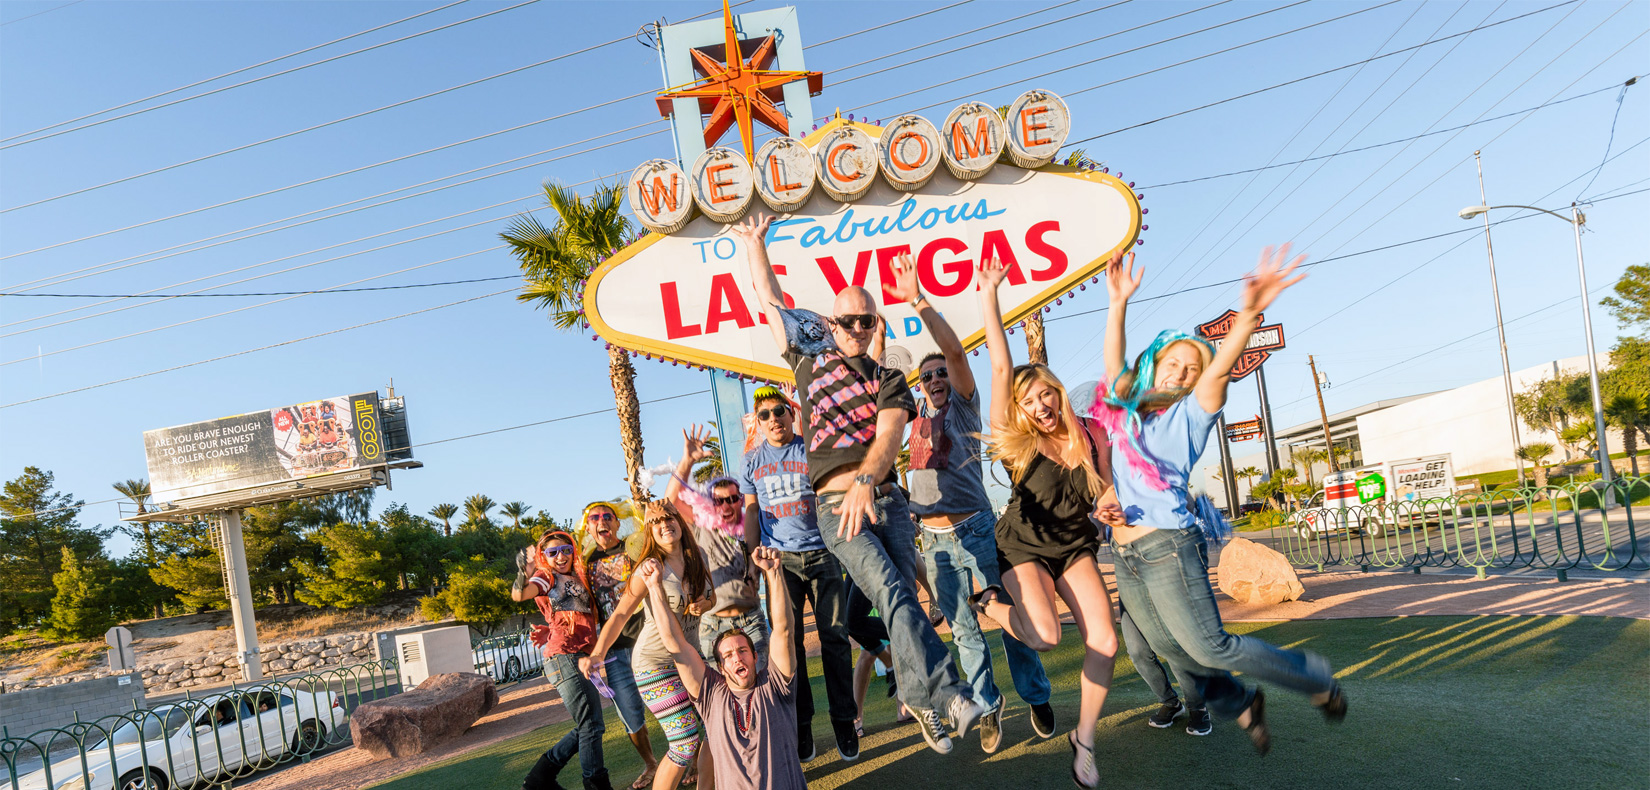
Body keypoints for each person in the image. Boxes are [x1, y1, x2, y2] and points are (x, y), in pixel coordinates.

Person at [735, 212, 981, 756]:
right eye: (848, 321)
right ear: (832, 322)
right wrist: (756, 243)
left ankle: (917, 697)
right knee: (890, 591)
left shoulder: (890, 378)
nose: (857, 329)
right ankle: (951, 694)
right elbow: (769, 298)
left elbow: (892, 431)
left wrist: (871, 478)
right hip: (834, 507)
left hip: (886, 500)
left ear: (875, 324)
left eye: (866, 321)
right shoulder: (808, 360)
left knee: (907, 604)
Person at [1097, 244, 1346, 757]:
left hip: (1168, 548)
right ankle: (1241, 702)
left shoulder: (1190, 413)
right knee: (1167, 645)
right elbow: (1114, 363)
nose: (1183, 373)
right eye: (1174, 362)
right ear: (1155, 362)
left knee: (1211, 645)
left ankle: (1312, 677)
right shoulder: (1126, 410)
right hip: (1126, 554)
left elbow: (1219, 369)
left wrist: (1251, 313)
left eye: (1192, 368)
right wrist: (1117, 301)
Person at [882, 254, 1056, 750]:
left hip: (979, 530)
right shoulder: (910, 424)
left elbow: (956, 355)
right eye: (927, 377)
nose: (936, 379)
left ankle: (1036, 695)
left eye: (940, 373)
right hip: (934, 544)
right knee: (964, 633)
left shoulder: (963, 407)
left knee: (1008, 618)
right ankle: (987, 707)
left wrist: (917, 300)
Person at [966, 253, 1125, 789]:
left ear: (1059, 392)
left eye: (1046, 395)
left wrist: (1109, 507)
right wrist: (989, 297)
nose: (1040, 405)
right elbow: (1000, 369)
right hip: (1024, 547)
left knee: (1104, 639)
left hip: (1074, 544)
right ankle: (989, 601)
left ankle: (1084, 741)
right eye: (1029, 401)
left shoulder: (1089, 435)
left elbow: (1103, 491)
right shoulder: (1020, 445)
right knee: (1046, 637)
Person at [740, 385, 860, 762]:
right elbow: (750, 511)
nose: (773, 419)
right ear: (756, 423)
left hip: (823, 554)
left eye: (779, 412)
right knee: (789, 647)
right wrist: (752, 561)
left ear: (791, 415)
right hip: (781, 563)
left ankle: (844, 721)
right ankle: (801, 727)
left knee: (836, 640)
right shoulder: (750, 462)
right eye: (765, 415)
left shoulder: (812, 449)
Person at [638, 545, 807, 790]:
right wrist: (654, 587)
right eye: (728, 655)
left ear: (754, 657)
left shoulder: (776, 685)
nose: (737, 658)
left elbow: (783, 630)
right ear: (720, 666)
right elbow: (675, 644)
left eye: (743, 651)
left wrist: (774, 573)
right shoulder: (711, 694)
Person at [584, 501, 715, 790]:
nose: (664, 525)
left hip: (691, 659)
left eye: (669, 518)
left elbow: (712, 597)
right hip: (655, 665)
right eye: (656, 522)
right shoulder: (649, 568)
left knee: (716, 729)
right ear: (649, 531)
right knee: (684, 740)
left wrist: (704, 603)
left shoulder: (699, 556)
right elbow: (620, 614)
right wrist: (597, 653)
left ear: (680, 523)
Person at [666, 425, 768, 790]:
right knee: (715, 713)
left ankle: (759, 773)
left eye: (733, 498)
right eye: (719, 499)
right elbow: (670, 503)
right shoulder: (702, 526)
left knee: (759, 701)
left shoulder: (753, 527)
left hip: (752, 622)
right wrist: (688, 460)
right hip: (712, 628)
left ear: (742, 500)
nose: (726, 505)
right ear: (711, 503)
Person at [513, 530, 612, 790]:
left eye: (566, 550)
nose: (561, 556)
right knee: (591, 724)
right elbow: (520, 594)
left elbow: (570, 614)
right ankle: (595, 785)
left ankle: (539, 779)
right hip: (565, 657)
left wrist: (550, 627)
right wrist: (526, 569)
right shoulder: (546, 576)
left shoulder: (575, 577)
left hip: (577, 656)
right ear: (544, 557)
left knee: (589, 725)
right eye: (553, 552)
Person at [581, 502, 662, 790]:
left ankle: (691, 755)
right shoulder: (584, 562)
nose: (602, 521)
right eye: (595, 518)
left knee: (672, 701)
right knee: (630, 713)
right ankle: (651, 763)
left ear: (617, 524)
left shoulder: (634, 548)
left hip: (649, 639)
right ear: (588, 527)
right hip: (614, 651)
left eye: (607, 517)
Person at [1119, 603, 1210, 736]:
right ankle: (1171, 703)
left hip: (1164, 586)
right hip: (1128, 588)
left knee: (1173, 648)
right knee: (1138, 652)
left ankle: (1198, 707)